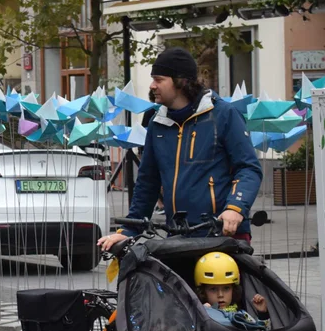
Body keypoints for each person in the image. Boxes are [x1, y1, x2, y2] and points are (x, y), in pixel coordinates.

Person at [98, 47, 263, 254]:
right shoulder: (157, 124)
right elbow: (147, 183)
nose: (152, 85)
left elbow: (248, 167)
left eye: (159, 79)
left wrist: (235, 208)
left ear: (181, 81)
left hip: (223, 234)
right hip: (178, 234)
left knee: (221, 287)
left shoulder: (223, 115)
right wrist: (129, 230)